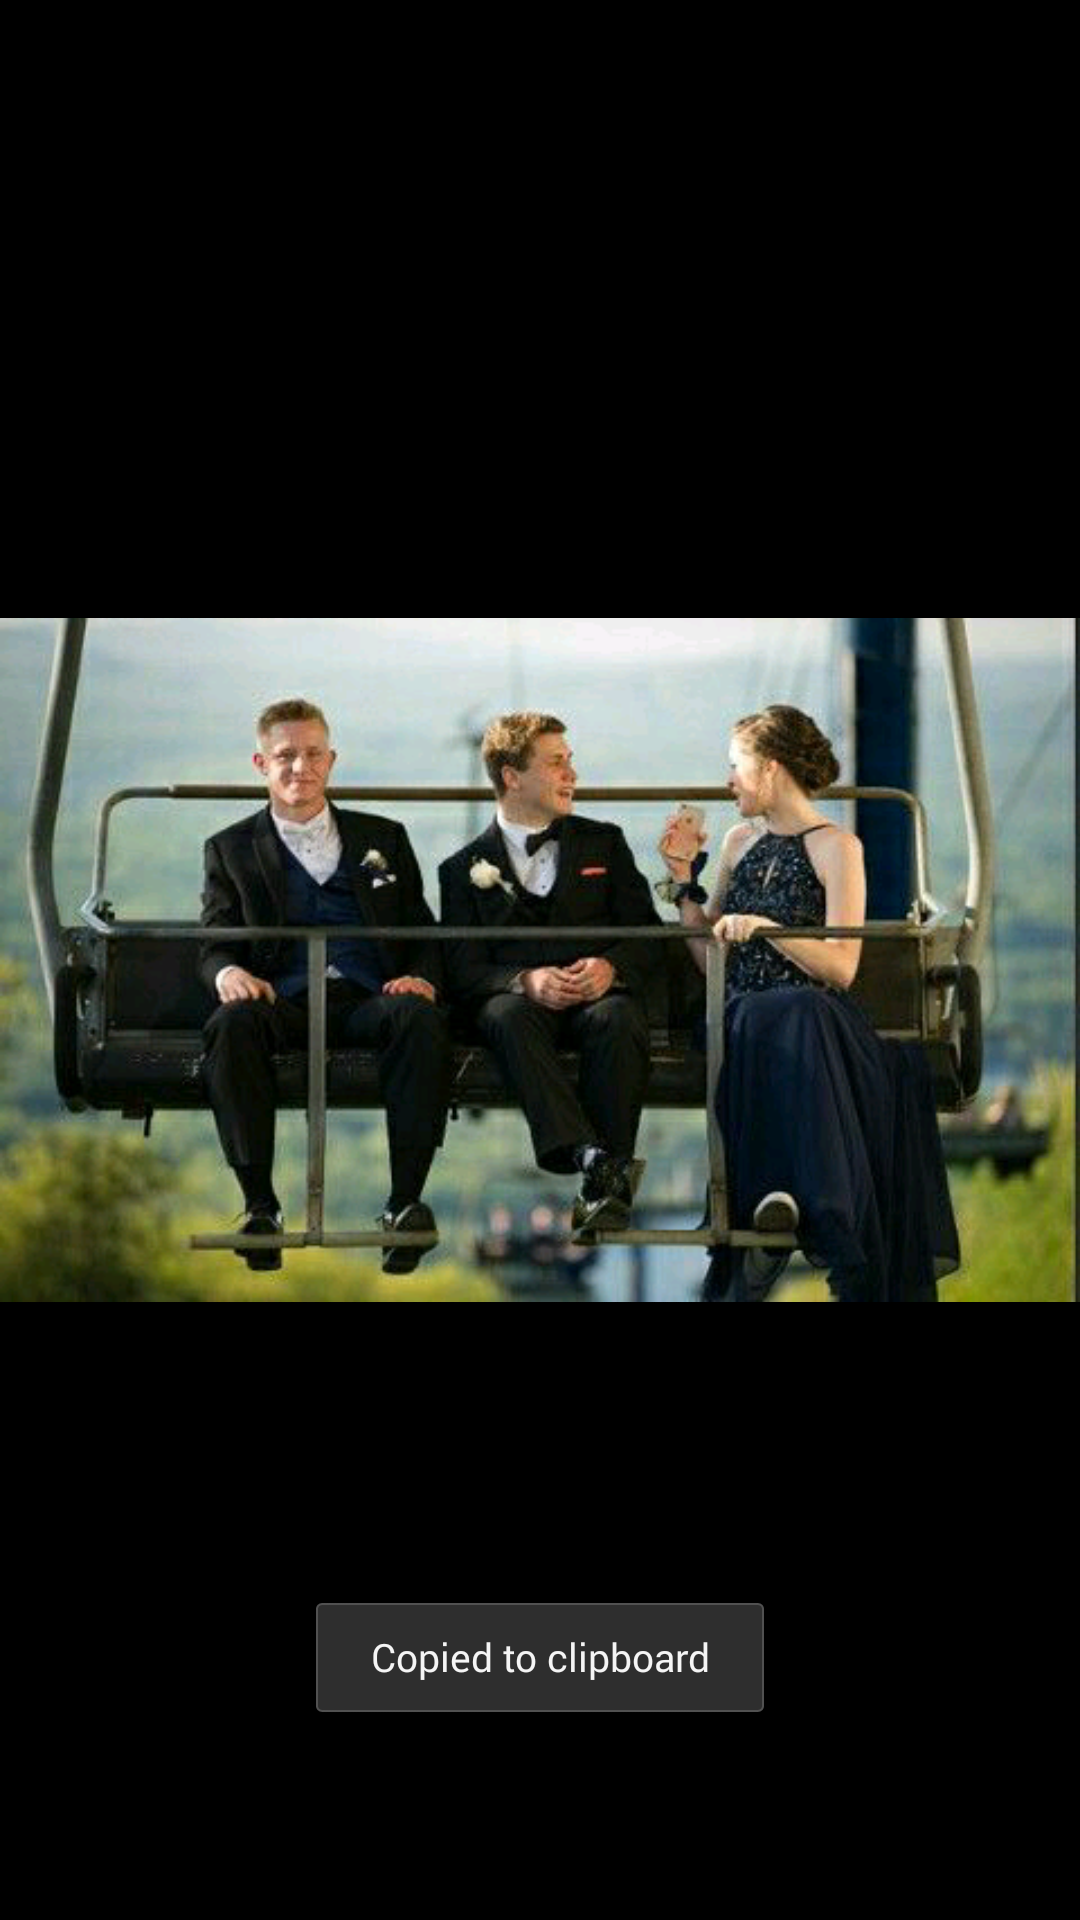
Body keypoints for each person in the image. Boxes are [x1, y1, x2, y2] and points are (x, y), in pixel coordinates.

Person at [659, 704, 960, 1302]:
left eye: (737, 766)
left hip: (812, 1016)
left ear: (770, 768)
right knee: (764, 1013)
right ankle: (802, 1202)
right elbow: (711, 958)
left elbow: (842, 967)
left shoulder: (837, 847)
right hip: (744, 1012)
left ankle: (804, 1204)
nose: (729, 781)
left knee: (795, 1011)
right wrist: (683, 884)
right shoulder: (738, 842)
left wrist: (771, 931)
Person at [199, 699, 453, 1275]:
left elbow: (421, 931)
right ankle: (259, 1209)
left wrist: (422, 977)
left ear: (331, 760)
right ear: (261, 764)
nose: (301, 767)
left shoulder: (383, 836)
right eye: (285, 755)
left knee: (418, 1016)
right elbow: (214, 941)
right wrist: (228, 974)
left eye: (313, 754)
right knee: (230, 1024)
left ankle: (404, 1205)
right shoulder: (230, 848)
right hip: (282, 1000)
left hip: (370, 997)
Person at [439, 713, 664, 1235]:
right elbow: (462, 969)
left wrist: (611, 968)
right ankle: (594, 1159)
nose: (572, 774)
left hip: (599, 999)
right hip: (519, 1010)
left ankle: (601, 1183)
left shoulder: (605, 843)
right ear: (512, 776)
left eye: (570, 761)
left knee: (618, 1018)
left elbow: (649, 936)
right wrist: (523, 980)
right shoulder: (461, 869)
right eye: (557, 763)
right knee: (505, 1015)